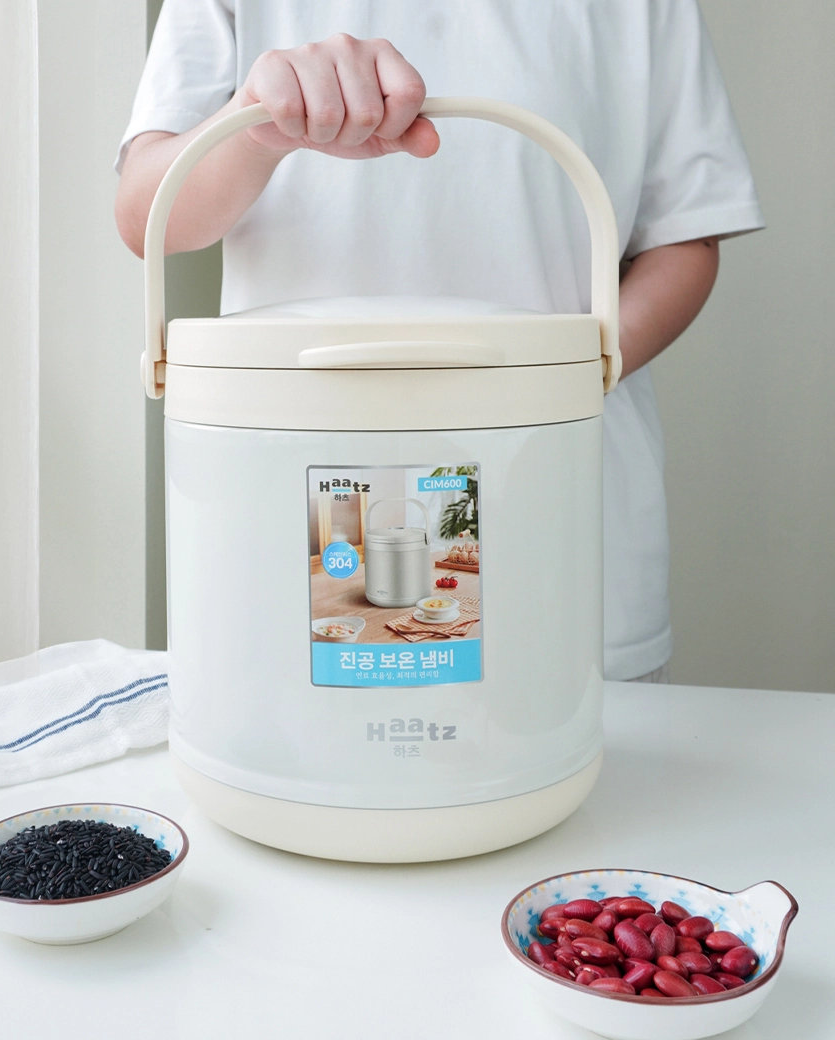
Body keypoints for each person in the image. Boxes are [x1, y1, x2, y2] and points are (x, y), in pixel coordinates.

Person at [114, 2, 764, 682]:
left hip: (558, 483)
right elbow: (146, 215)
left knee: (559, 719)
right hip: (293, 487)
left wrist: (553, 384)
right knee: (298, 713)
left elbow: (686, 236)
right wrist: (252, 129)